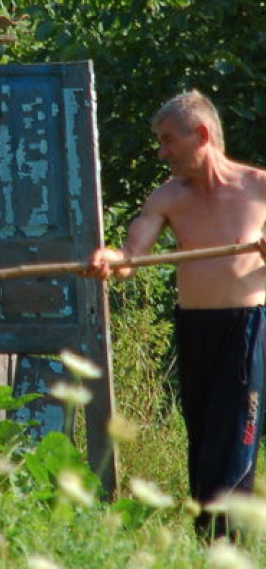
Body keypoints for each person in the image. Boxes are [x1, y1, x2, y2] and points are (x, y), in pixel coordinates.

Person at [84, 89, 266, 539]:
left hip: (247, 331)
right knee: (204, 445)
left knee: (231, 448)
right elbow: (130, 257)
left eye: (168, 140)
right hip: (195, 331)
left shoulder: (259, 187)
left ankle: (226, 545)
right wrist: (108, 258)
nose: (163, 152)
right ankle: (214, 546)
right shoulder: (167, 198)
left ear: (201, 133)